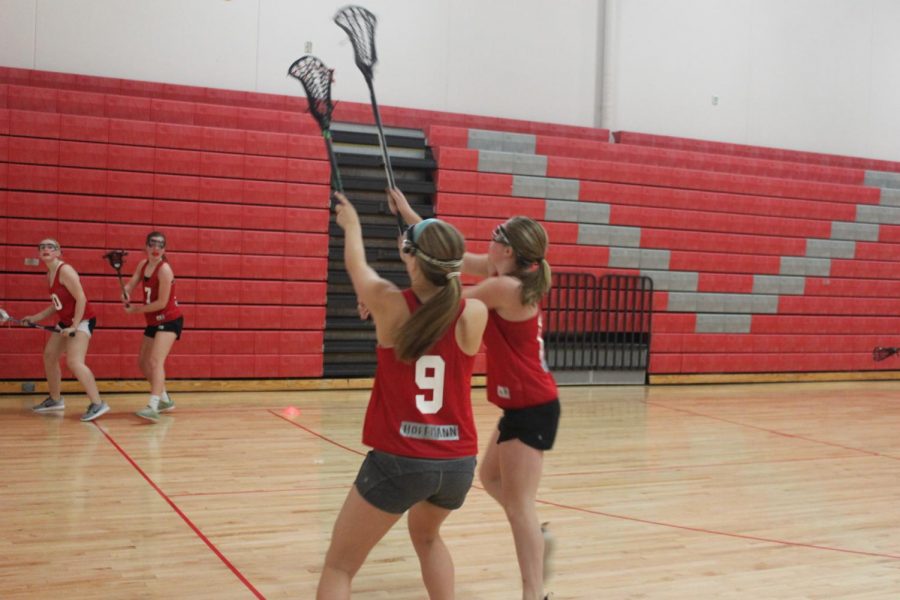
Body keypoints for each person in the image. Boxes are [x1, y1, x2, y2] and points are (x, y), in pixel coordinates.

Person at [388, 189, 560, 600]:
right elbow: (454, 259)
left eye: (499, 237)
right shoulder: (506, 271)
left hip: (533, 407)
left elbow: (449, 300)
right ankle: (535, 535)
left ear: (513, 252)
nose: (491, 239)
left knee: (519, 506)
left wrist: (398, 282)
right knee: (490, 478)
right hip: (523, 406)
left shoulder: (507, 288)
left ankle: (534, 592)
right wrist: (412, 218)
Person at [317, 192, 487, 600]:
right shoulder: (474, 312)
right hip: (457, 463)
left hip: (401, 460)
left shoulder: (389, 304)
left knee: (340, 566)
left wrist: (352, 224)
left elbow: (357, 265)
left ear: (411, 257)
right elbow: (439, 295)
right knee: (428, 539)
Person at [24, 238, 110, 422]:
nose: (45, 249)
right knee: (50, 355)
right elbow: (57, 304)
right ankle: (55, 400)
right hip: (66, 320)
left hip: (82, 319)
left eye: (50, 247)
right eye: (42, 247)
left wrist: (73, 326)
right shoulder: (49, 274)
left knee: (74, 361)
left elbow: (81, 299)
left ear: (58, 252)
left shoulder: (66, 271)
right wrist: (35, 317)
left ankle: (98, 403)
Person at [122, 231, 182, 422]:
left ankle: (153, 406)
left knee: (156, 361)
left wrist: (136, 310)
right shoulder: (143, 265)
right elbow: (131, 284)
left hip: (169, 319)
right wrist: (126, 291)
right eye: (152, 244)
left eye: (160, 245)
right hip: (154, 321)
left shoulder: (164, 270)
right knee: (143, 362)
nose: (156, 248)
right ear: (146, 246)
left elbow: (162, 303)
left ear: (164, 249)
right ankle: (165, 400)